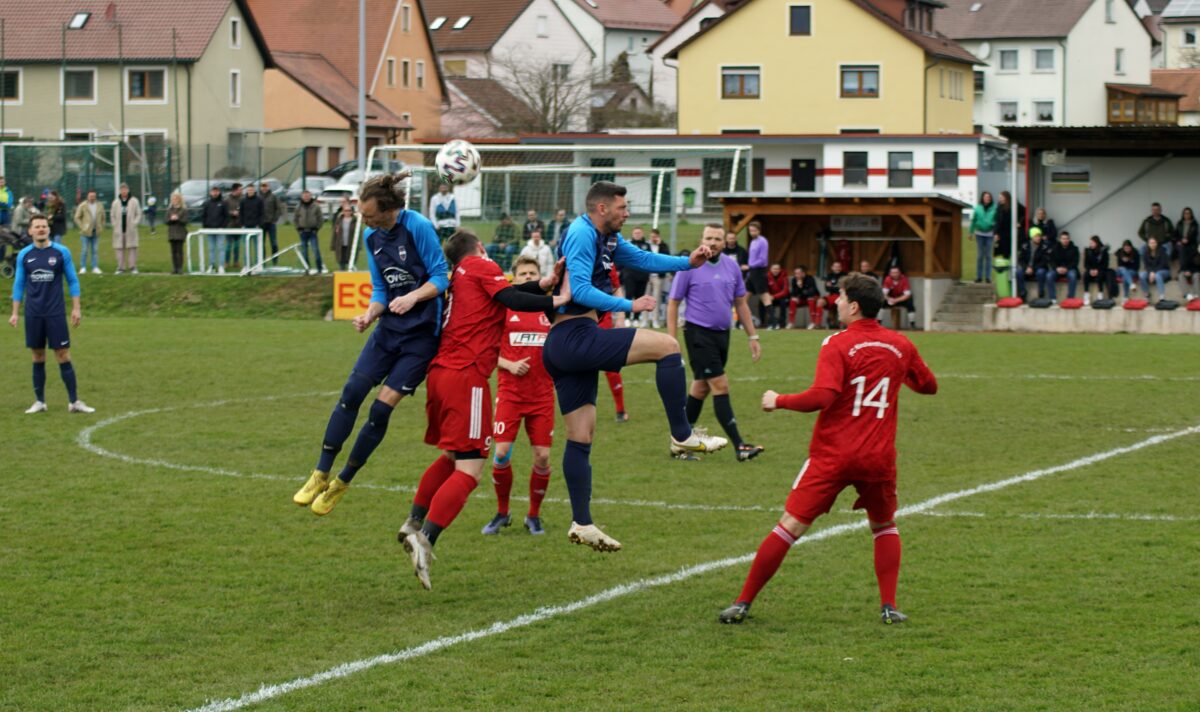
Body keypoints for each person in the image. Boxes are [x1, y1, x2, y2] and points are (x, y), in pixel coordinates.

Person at [718, 273, 938, 626]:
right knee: (883, 525)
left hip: (834, 454)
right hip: (878, 457)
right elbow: (929, 386)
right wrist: (898, 373)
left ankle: (743, 602)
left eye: (839, 297)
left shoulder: (837, 344)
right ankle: (889, 606)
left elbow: (822, 397)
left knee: (789, 527)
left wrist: (779, 400)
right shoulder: (901, 345)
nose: (833, 302)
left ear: (853, 306)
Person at [537, 181, 726, 552]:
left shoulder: (606, 237)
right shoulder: (580, 233)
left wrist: (686, 263)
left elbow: (642, 259)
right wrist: (628, 306)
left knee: (581, 437)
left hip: (567, 344)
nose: (627, 213)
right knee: (668, 347)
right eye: (622, 207)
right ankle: (681, 435)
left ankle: (582, 522)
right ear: (602, 208)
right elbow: (578, 293)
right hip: (574, 337)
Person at [400, 230, 568, 589]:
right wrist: (558, 299)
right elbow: (511, 297)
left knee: (452, 456)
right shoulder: (480, 263)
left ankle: (413, 521)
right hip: (468, 376)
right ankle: (425, 538)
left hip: (442, 374)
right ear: (479, 247)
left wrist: (544, 285)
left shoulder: (459, 277)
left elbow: (508, 295)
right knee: (471, 468)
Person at [292, 173, 449, 516]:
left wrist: (412, 298)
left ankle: (342, 481)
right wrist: (369, 314)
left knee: (379, 409)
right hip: (389, 330)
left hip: (422, 337)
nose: (366, 220)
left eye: (371, 215)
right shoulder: (370, 236)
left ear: (390, 210)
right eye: (364, 215)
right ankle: (320, 472)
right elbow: (380, 288)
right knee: (350, 393)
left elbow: (440, 276)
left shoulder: (417, 226)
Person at [666, 223, 764, 462]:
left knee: (700, 388)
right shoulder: (689, 265)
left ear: (725, 242)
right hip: (698, 334)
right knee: (720, 385)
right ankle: (740, 446)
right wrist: (671, 341)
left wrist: (752, 336)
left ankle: (679, 443)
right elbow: (673, 303)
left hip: (723, 335)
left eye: (717, 239)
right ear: (702, 238)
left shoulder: (731, 266)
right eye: (709, 237)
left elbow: (740, 303)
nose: (712, 242)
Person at [481, 256, 558, 536]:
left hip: (542, 396)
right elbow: (488, 349)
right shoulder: (504, 308)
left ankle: (533, 516)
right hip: (510, 393)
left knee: (542, 457)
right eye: (523, 273)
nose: (528, 276)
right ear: (513, 279)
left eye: (532, 273)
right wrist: (510, 365)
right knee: (500, 454)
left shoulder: (549, 308)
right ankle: (502, 513)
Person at [9, 215, 96, 414]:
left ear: (49, 230)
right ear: (30, 231)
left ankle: (74, 402)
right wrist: (15, 313)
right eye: (37, 226)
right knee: (37, 356)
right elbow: (19, 284)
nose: (41, 229)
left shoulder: (61, 252)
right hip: (33, 314)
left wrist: (76, 308)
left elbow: (73, 281)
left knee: (63, 355)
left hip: (55, 313)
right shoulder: (24, 255)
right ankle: (40, 402)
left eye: (44, 226)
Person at [599, 265, 630, 423]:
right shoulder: (574, 257)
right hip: (579, 322)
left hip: (603, 321)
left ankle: (620, 409)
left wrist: (621, 317)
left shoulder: (606, 261)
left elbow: (616, 288)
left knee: (610, 367)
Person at [621, 226, 651, 325]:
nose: (637, 235)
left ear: (642, 234)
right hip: (630, 274)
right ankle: (627, 318)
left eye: (639, 233)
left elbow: (650, 259)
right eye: (635, 233)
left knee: (640, 297)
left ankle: (637, 318)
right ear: (632, 234)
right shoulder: (627, 244)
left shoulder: (647, 245)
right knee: (628, 296)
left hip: (642, 275)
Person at [109, 183, 142, 274]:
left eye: (125, 189)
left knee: (132, 248)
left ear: (128, 190)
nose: (124, 191)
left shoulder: (134, 201)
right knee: (119, 249)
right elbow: (112, 215)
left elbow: (138, 213)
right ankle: (121, 268)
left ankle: (133, 267)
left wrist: (135, 223)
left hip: (131, 230)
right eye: (122, 189)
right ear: (120, 191)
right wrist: (114, 224)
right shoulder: (116, 202)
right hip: (119, 231)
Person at [72, 189, 105, 275]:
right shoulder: (83, 205)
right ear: (87, 196)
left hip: (96, 231)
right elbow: (77, 217)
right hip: (85, 233)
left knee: (95, 250)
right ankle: (83, 267)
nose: (92, 198)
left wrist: (101, 226)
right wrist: (82, 227)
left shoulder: (100, 205)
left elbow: (103, 217)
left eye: (93, 196)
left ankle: (95, 267)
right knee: (85, 250)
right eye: (90, 196)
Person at [293, 189, 326, 274]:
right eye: (304, 196)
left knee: (315, 250)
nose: (306, 197)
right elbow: (295, 219)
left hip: (313, 232)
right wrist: (298, 228)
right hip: (303, 232)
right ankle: (306, 268)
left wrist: (317, 228)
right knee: (304, 251)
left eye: (308, 196)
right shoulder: (298, 207)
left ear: (310, 196)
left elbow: (320, 218)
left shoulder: (316, 206)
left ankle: (319, 268)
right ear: (302, 196)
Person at [745, 222, 770, 326]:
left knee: (764, 297)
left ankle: (773, 323)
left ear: (759, 230)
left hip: (759, 271)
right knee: (744, 297)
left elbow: (763, 259)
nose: (752, 233)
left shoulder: (763, 241)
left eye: (754, 230)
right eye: (751, 231)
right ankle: (740, 322)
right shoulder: (752, 242)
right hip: (752, 272)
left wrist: (750, 266)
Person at [1043, 231, 1080, 302]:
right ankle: (1053, 299)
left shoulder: (1075, 249)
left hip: (1069, 269)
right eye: (1063, 239)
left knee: (1073, 275)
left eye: (1067, 238)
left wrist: (1067, 268)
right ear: (1060, 239)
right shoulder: (1054, 248)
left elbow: (1075, 262)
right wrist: (1057, 268)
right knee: (1049, 275)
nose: (1065, 240)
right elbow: (1051, 261)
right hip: (1057, 269)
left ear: (1069, 239)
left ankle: (1070, 298)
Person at [1017, 227, 1051, 301]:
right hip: (1027, 268)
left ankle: (1041, 292)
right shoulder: (1025, 246)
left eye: (1039, 236)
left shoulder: (1044, 246)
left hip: (1038, 268)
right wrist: (1026, 268)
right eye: (1036, 236)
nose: (1038, 238)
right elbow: (1021, 259)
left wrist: (1033, 268)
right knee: (1019, 272)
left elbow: (1044, 261)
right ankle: (1023, 292)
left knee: (1041, 272)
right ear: (1032, 237)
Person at [969, 191, 997, 283]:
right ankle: (979, 276)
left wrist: (995, 230)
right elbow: (973, 221)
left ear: (991, 198)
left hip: (990, 234)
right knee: (980, 255)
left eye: (989, 197)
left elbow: (997, 221)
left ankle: (988, 277)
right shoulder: (977, 208)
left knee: (988, 255)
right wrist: (970, 232)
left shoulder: (994, 208)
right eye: (985, 197)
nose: (987, 198)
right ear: (982, 198)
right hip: (979, 234)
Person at [200, 186, 228, 274]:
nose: (215, 193)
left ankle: (221, 266)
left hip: (220, 229)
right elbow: (204, 216)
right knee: (211, 249)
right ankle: (211, 266)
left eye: (216, 191)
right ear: (210, 192)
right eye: (213, 191)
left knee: (221, 248)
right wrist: (205, 227)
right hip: (210, 229)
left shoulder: (223, 203)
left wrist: (223, 226)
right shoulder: (207, 203)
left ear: (219, 192)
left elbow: (226, 217)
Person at [993, 190, 1026, 262]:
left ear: (1006, 197)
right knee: (1004, 252)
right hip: (1003, 233)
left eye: (1001, 197)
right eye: (999, 197)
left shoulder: (1014, 205)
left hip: (1013, 232)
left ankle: (1015, 267)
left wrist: (1020, 222)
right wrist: (996, 233)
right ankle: (1006, 267)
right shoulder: (999, 207)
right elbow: (997, 221)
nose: (1000, 199)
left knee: (1015, 251)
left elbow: (1025, 212)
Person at [646, 229, 669, 329]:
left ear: (658, 236)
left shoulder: (663, 246)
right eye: (651, 236)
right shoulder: (646, 246)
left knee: (656, 300)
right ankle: (644, 321)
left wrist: (660, 245)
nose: (653, 238)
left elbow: (667, 257)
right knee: (645, 299)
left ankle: (655, 320)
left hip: (658, 277)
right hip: (647, 276)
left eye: (655, 236)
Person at [1175, 207, 1198, 300]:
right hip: (1182, 244)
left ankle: (1196, 296)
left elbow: (1197, 265)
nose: (1187, 215)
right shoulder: (1180, 224)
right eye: (1185, 213)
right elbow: (1176, 235)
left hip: (1194, 269)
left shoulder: (1194, 224)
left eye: (1188, 213)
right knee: (1181, 274)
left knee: (1196, 275)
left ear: (1191, 214)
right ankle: (1187, 295)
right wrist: (1180, 241)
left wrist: (1190, 270)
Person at [788, 265, 822, 329]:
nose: (796, 275)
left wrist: (801, 288)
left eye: (798, 273)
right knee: (792, 300)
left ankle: (813, 322)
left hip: (812, 298)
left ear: (803, 273)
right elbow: (793, 293)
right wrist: (798, 290)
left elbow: (812, 292)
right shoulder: (794, 280)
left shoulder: (810, 279)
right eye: (795, 273)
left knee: (810, 299)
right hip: (802, 299)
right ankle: (791, 322)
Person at [260, 181, 286, 264]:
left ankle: (275, 260)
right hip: (261, 224)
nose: (264, 188)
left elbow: (279, 208)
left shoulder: (273, 196)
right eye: (263, 186)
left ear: (268, 187)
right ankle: (262, 261)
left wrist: (275, 219)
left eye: (266, 186)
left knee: (274, 243)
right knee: (261, 244)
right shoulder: (258, 197)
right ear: (261, 187)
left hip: (271, 224)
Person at [1140, 237, 1171, 302]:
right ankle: (1147, 295)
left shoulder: (1162, 251)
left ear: (1157, 243)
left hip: (1164, 271)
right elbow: (1146, 266)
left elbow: (1162, 264)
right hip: (1151, 272)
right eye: (1151, 243)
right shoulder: (1146, 253)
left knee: (1157, 275)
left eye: (1154, 243)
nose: (1153, 244)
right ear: (1148, 244)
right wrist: (1150, 272)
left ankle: (1161, 296)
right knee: (1142, 275)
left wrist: (1153, 272)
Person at [239, 184, 264, 265]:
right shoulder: (243, 200)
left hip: (256, 226)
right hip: (245, 227)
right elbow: (241, 213)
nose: (250, 191)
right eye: (249, 190)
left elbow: (262, 213)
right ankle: (247, 264)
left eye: (252, 190)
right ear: (247, 190)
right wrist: (242, 224)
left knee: (257, 247)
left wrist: (259, 224)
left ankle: (257, 264)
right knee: (246, 247)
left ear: (254, 190)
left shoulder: (259, 200)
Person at [1082, 236, 1111, 304]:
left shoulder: (1103, 251)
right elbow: (1086, 264)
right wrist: (1090, 270)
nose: (1091, 244)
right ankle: (1086, 294)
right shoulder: (1088, 251)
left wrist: (1097, 270)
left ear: (1097, 243)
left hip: (1101, 270)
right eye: (1090, 243)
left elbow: (1105, 264)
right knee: (1085, 275)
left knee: (1100, 275)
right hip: (1091, 270)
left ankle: (1100, 293)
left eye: (1092, 243)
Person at [165, 192, 188, 274]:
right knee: (173, 252)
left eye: (176, 199)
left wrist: (178, 219)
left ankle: (180, 268)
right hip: (172, 233)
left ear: (179, 200)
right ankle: (174, 268)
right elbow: (166, 221)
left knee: (180, 251)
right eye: (173, 199)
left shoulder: (184, 210)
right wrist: (171, 219)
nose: (175, 200)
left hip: (180, 233)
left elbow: (185, 221)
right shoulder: (169, 210)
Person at [819, 261, 847, 328]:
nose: (837, 268)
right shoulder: (829, 276)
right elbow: (827, 288)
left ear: (841, 268)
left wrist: (832, 286)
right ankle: (818, 324)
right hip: (832, 296)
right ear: (832, 268)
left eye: (838, 266)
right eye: (835, 266)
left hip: (842, 296)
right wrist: (836, 286)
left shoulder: (845, 275)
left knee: (842, 304)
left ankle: (843, 323)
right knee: (820, 302)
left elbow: (844, 288)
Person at [330, 198, 356, 271]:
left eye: (349, 210)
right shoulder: (339, 219)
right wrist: (333, 244)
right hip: (341, 243)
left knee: (350, 259)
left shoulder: (355, 220)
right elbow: (335, 232)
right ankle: (342, 273)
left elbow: (358, 234)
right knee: (341, 259)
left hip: (350, 243)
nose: (347, 212)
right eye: (345, 210)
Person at [223, 183, 243, 269]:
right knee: (228, 246)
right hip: (229, 225)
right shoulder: (227, 200)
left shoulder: (242, 199)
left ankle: (236, 262)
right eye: (240, 189)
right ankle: (226, 262)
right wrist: (232, 213)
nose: (241, 191)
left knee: (237, 245)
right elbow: (224, 211)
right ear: (235, 190)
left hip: (239, 225)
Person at [765, 262, 789, 329]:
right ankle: (768, 323)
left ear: (780, 269)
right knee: (763, 302)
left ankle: (782, 324)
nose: (776, 270)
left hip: (781, 297)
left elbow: (785, 291)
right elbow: (765, 289)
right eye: (774, 269)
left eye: (778, 269)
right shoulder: (767, 276)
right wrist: (769, 296)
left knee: (783, 302)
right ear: (770, 269)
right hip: (770, 297)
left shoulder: (784, 277)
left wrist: (774, 296)